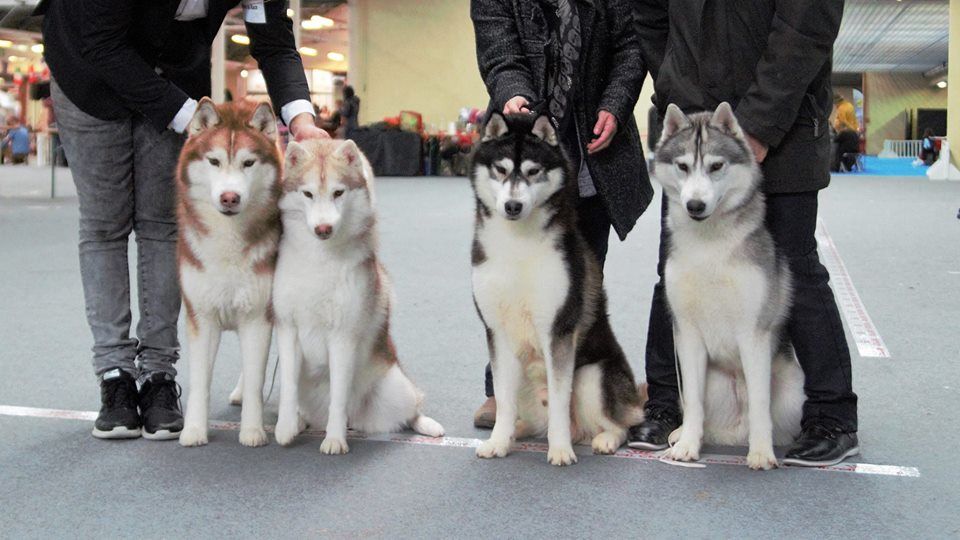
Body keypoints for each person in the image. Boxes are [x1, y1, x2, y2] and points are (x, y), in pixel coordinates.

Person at [36, 0, 327, 441]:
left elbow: (273, 40)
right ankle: (114, 375)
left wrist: (301, 119)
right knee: (104, 224)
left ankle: (158, 378)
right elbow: (101, 42)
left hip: (173, 70)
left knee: (161, 222)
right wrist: (189, 117)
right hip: (88, 70)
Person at [629, 0, 860, 466]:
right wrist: (678, 86)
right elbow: (650, 17)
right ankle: (666, 404)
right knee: (674, 277)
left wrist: (754, 124)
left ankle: (831, 415)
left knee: (794, 266)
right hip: (695, 131)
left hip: (786, 122)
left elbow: (807, 23)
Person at [470, 0, 653, 427]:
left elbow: (632, 44)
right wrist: (513, 94)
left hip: (592, 156)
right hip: (524, 148)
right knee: (506, 285)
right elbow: (499, 47)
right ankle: (503, 392)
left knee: (577, 293)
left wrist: (616, 103)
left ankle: (579, 392)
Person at [832, 95, 860, 172]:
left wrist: (841, 129)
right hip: (855, 147)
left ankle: (836, 168)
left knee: (837, 151)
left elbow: (843, 120)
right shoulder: (850, 105)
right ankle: (849, 166)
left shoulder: (841, 109)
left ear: (837, 102)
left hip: (846, 146)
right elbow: (854, 119)